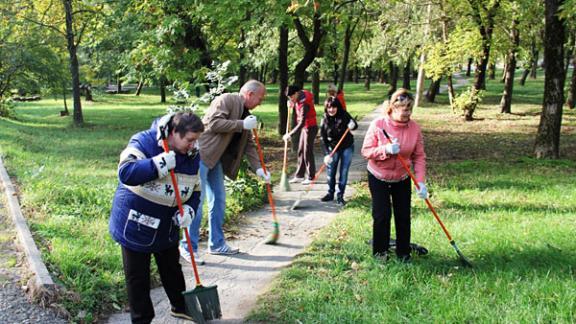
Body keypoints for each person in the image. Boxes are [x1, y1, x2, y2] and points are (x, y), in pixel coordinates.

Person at [109, 112, 204, 323]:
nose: (193, 145)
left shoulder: (192, 154)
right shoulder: (143, 141)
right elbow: (126, 172)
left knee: (172, 268)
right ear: (172, 133)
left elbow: (195, 188)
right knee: (138, 276)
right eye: (189, 140)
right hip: (136, 223)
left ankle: (180, 306)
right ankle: (142, 319)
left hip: (168, 223)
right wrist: (156, 164)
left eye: (195, 140)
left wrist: (190, 209)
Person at [181, 80, 270, 262]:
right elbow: (212, 123)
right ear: (249, 94)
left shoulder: (246, 114)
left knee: (219, 201)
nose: (260, 102)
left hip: (216, 161)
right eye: (260, 98)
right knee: (197, 203)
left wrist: (259, 168)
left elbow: (249, 145)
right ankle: (188, 247)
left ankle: (217, 244)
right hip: (202, 156)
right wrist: (241, 124)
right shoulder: (226, 99)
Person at [360, 88, 428, 263]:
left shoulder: (414, 128)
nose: (407, 114)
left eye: (410, 110)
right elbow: (366, 151)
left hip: (401, 177)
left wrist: (420, 182)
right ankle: (380, 253)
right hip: (378, 175)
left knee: (403, 215)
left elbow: (419, 156)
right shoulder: (379, 125)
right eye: (404, 110)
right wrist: (385, 150)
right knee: (382, 215)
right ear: (393, 108)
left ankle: (403, 253)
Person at [319, 96, 357, 205]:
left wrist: (352, 126)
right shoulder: (324, 119)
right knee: (331, 171)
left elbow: (355, 125)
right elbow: (323, 138)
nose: (331, 110)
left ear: (337, 107)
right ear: (326, 108)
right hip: (332, 148)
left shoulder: (344, 115)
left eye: (333, 107)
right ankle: (330, 194)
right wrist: (327, 154)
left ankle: (340, 195)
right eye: (329, 107)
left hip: (347, 146)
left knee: (343, 172)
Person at [283, 85, 318, 185]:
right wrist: (292, 104)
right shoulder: (299, 96)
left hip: (310, 128)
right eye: (289, 98)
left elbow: (302, 122)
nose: (291, 99)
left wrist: (290, 134)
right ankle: (299, 175)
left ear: (296, 93)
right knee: (301, 151)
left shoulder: (304, 103)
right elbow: (297, 106)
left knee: (307, 151)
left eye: (292, 97)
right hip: (305, 127)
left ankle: (311, 177)